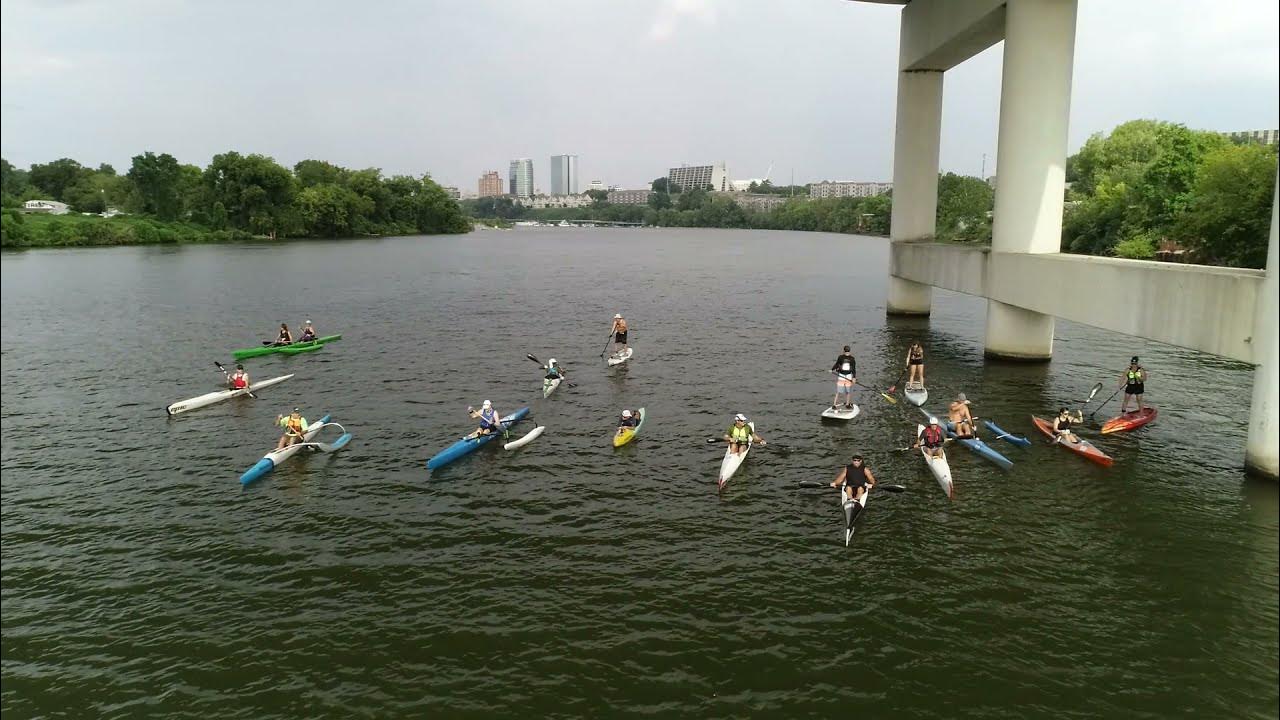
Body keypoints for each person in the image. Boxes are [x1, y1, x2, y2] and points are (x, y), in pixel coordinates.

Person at [830, 345, 857, 410]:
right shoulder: (852, 359)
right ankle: (847, 405)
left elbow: (836, 364)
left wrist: (832, 369)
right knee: (848, 392)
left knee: (838, 391)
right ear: (849, 351)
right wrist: (854, 378)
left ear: (843, 350)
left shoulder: (840, 357)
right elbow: (853, 369)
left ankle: (834, 405)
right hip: (848, 376)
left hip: (841, 377)